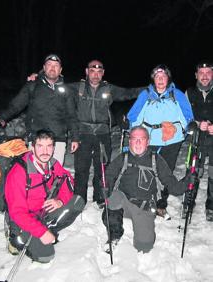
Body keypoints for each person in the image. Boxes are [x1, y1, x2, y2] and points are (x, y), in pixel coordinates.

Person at [66, 60, 144, 208]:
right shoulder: (78, 88)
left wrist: (149, 89)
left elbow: (129, 93)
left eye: (99, 72)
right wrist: (38, 77)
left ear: (103, 73)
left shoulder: (109, 89)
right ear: (87, 71)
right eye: (92, 71)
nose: (95, 75)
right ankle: (79, 198)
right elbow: (56, 85)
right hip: (83, 133)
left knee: (101, 166)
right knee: (81, 168)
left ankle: (100, 196)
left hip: (103, 134)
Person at [102, 126, 190, 253]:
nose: (138, 142)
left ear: (148, 142)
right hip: (124, 202)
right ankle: (114, 235)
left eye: (142, 139)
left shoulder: (156, 160)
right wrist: (105, 187)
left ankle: (144, 232)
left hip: (145, 206)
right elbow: (108, 176)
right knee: (113, 199)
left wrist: (188, 181)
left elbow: (174, 187)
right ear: (130, 141)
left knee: (144, 246)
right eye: (134, 139)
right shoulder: (123, 158)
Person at [5, 129, 85, 263]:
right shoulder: (19, 172)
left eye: (49, 146)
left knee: (77, 202)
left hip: (43, 211)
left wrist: (60, 200)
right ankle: (16, 238)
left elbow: (68, 179)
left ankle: (46, 228)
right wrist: (41, 232)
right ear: (32, 147)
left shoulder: (52, 164)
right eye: (40, 146)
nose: (45, 151)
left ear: (54, 148)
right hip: (23, 219)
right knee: (45, 256)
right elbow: (17, 212)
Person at [127, 64, 194, 218]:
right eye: (157, 77)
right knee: (148, 169)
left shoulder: (176, 94)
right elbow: (135, 114)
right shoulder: (146, 94)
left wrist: (190, 125)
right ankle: (145, 199)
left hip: (172, 139)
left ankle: (161, 204)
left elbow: (187, 115)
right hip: (150, 138)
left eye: (163, 76)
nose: (161, 79)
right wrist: (129, 125)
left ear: (168, 78)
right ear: (153, 79)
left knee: (166, 172)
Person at [0, 54, 79, 165]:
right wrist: (1, 117)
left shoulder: (67, 90)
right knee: (34, 174)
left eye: (56, 65)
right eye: (49, 65)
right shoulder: (32, 86)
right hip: (35, 137)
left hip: (58, 139)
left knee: (55, 175)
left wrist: (75, 137)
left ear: (60, 69)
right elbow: (16, 106)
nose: (52, 68)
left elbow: (71, 115)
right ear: (44, 68)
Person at [186, 61, 213, 221]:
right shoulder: (189, 93)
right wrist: (197, 124)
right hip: (197, 139)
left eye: (208, 72)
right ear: (196, 75)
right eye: (201, 73)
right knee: (194, 171)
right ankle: (188, 203)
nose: (204, 76)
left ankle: (211, 206)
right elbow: (184, 117)